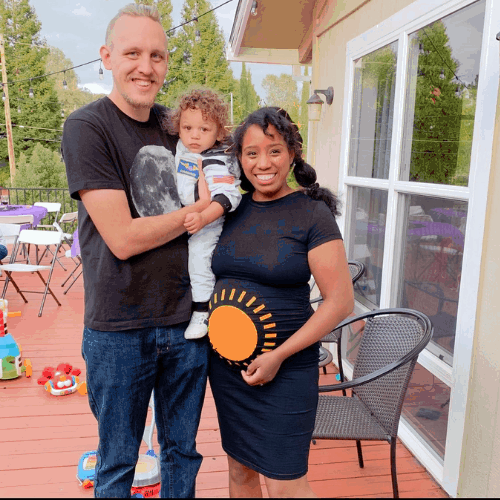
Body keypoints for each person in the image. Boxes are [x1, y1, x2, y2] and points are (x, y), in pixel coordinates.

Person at [61, 4, 210, 498]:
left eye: (157, 55)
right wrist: (200, 214)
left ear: (167, 63)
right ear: (106, 57)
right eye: (131, 53)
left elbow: (233, 172)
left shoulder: (178, 127)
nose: (145, 66)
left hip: (188, 323)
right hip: (119, 328)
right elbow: (121, 238)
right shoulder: (88, 127)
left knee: (182, 454)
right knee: (118, 463)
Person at [207, 107, 354, 498]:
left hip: (285, 370)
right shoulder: (231, 210)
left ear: (292, 153)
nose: (263, 163)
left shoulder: (311, 212)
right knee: (240, 472)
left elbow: (340, 302)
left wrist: (277, 356)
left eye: (273, 150)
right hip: (228, 372)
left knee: (287, 484)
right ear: (238, 159)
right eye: (251, 153)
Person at [163, 88, 241, 339]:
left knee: (199, 259)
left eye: (204, 129)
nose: (194, 135)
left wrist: (204, 217)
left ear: (218, 132)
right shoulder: (182, 150)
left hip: (207, 223)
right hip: (183, 217)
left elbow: (228, 196)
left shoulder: (217, 158)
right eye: (187, 128)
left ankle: (202, 310)